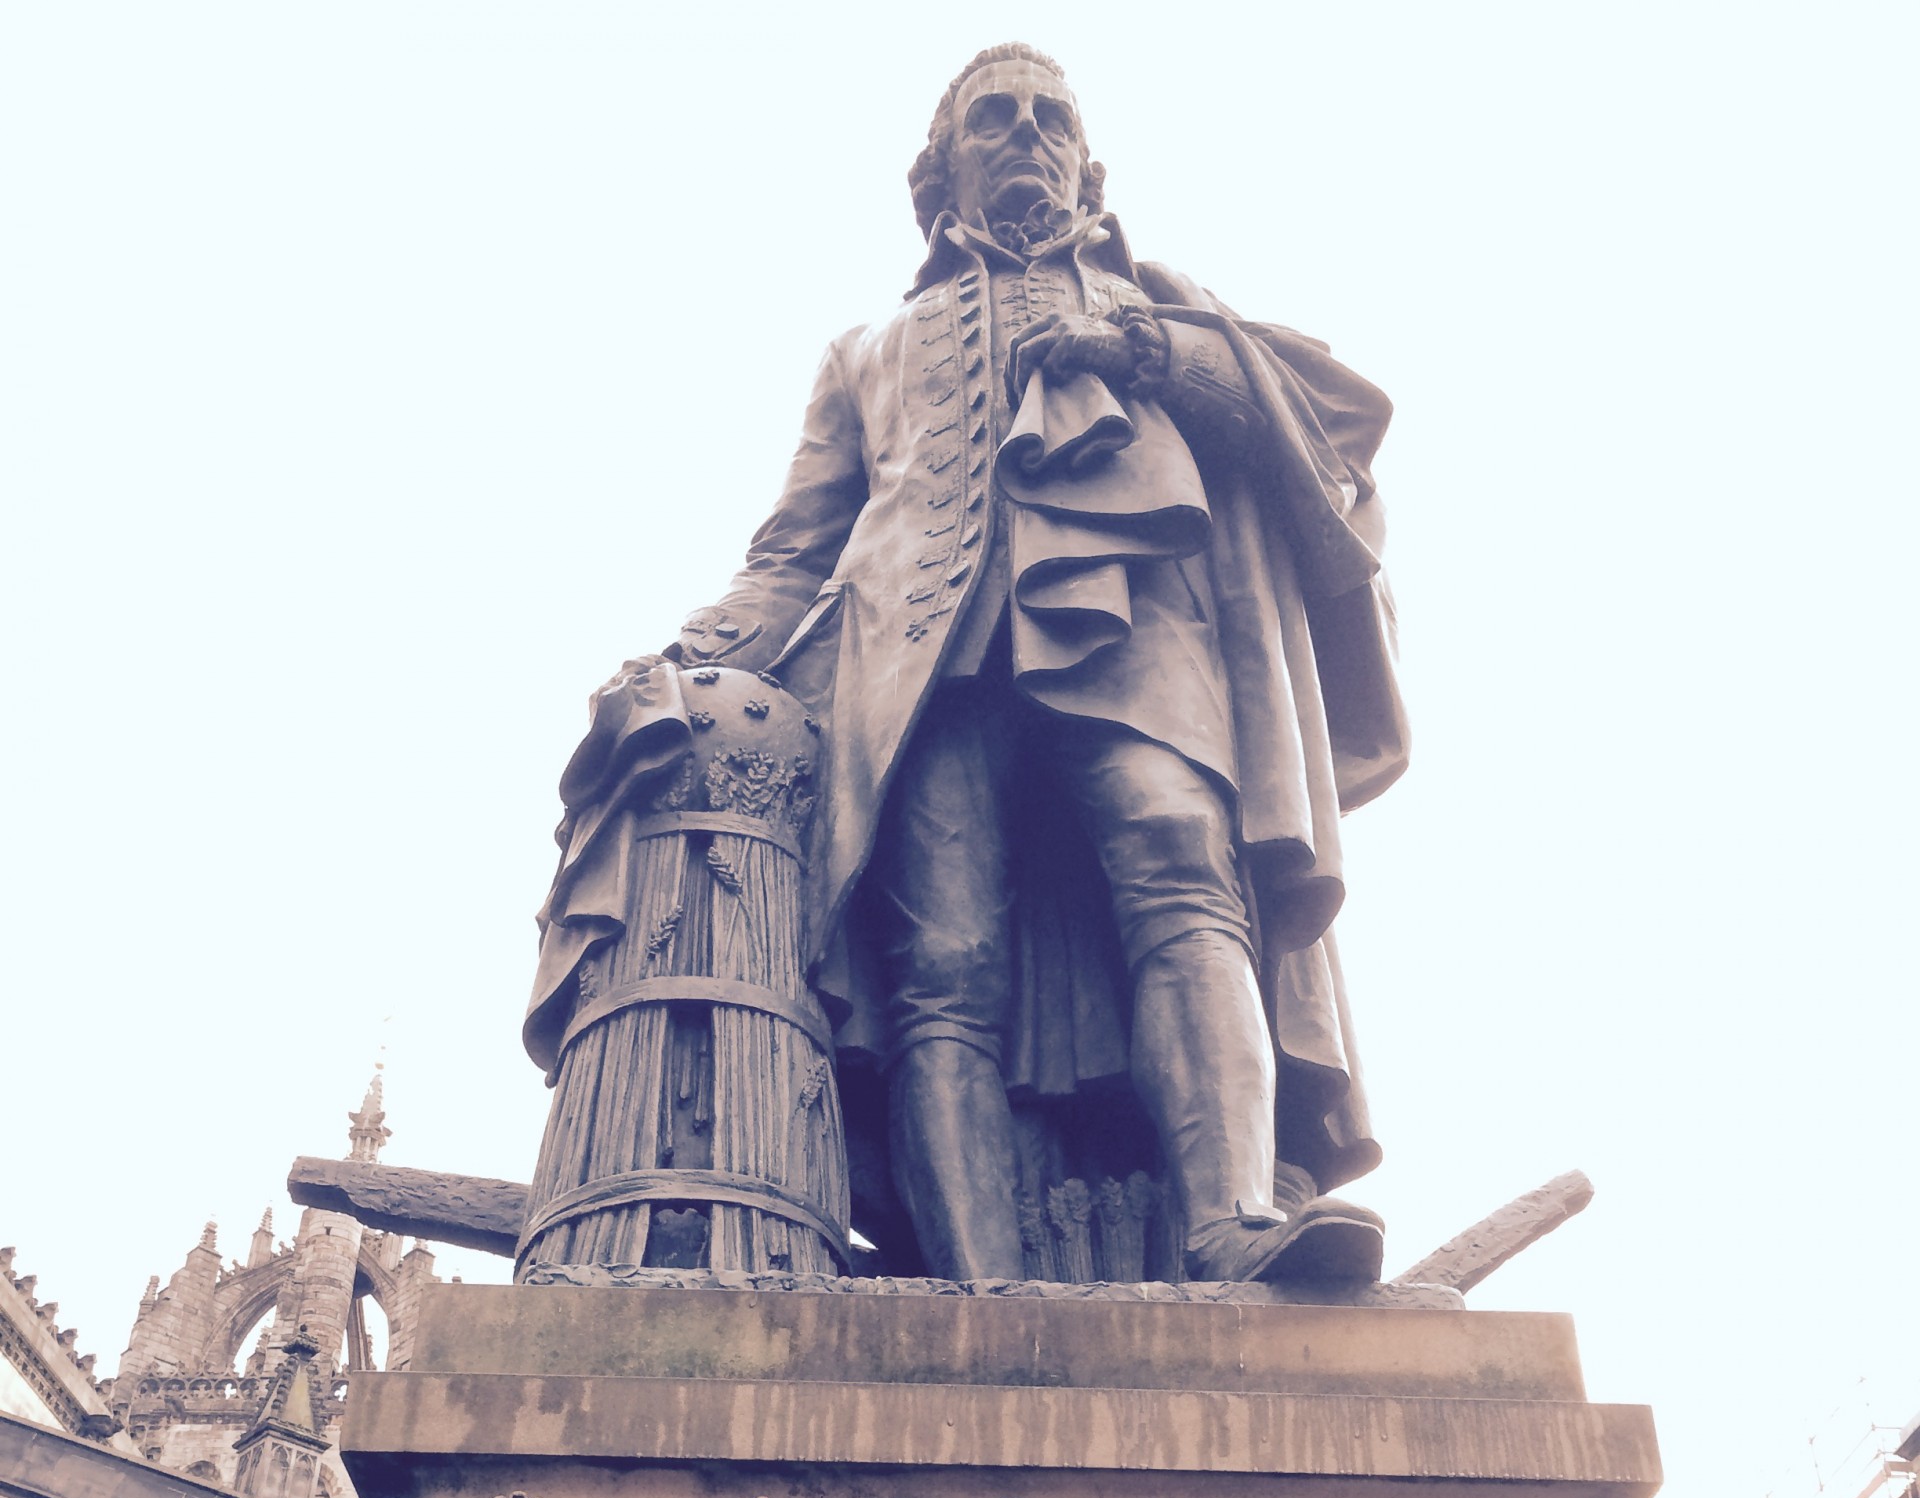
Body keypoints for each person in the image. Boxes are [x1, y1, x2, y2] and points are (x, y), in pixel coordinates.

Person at [570, 44, 1407, 1285]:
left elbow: (1330, 421)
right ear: (940, 172)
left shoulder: (1163, 306)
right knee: (942, 964)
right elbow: (792, 556)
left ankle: (1232, 1219)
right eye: (996, 119)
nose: (1028, 136)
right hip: (922, 657)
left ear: (1088, 161)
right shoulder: (868, 352)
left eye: (1052, 118)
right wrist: (680, 663)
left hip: (1139, 611)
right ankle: (973, 1278)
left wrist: (1143, 352)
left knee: (1184, 864)